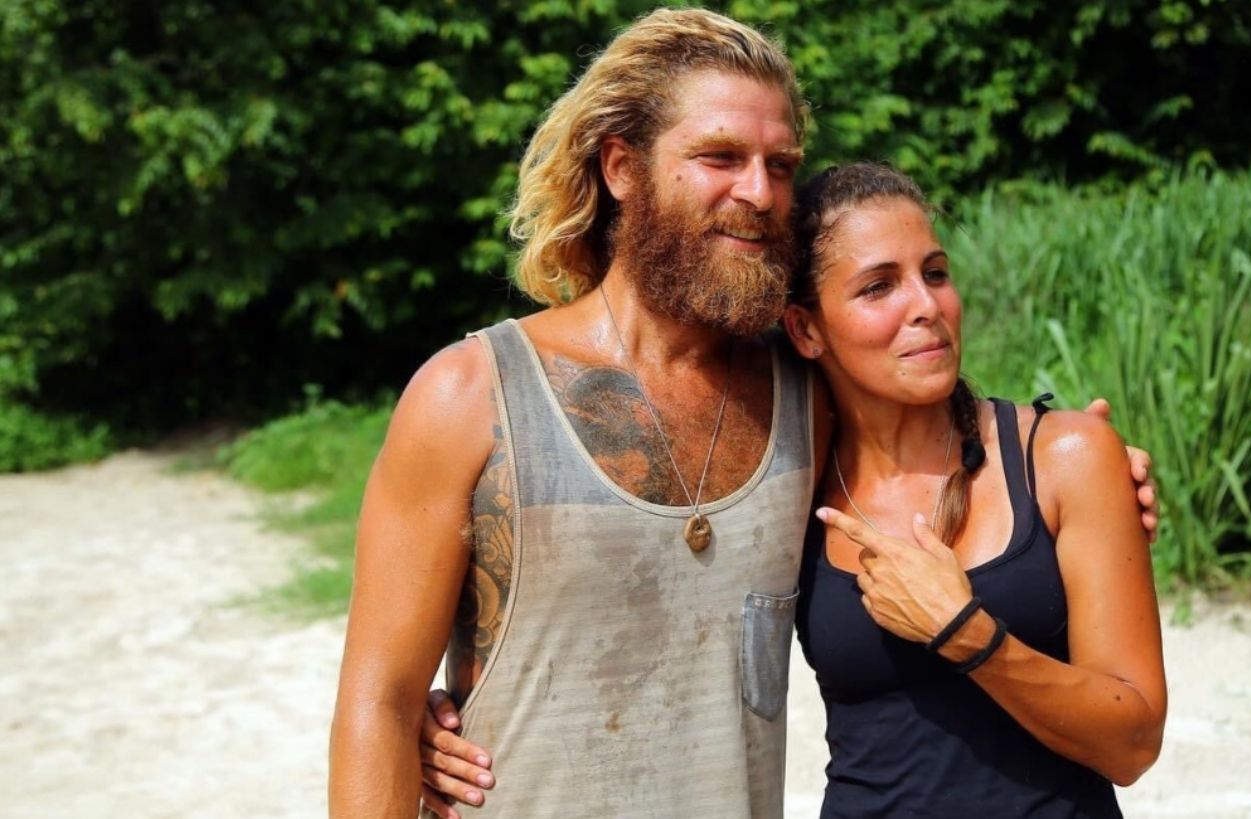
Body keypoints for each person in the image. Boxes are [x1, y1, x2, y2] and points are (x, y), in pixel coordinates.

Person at [331, 9, 1159, 819]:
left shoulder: (800, 397)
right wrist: (416, 729)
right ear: (622, 167)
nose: (760, 192)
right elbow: (378, 701)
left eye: (781, 164)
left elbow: (928, 422)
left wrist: (1091, 479)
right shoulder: (472, 396)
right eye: (720, 156)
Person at [789, 163, 1165, 816]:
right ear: (805, 329)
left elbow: (1132, 743)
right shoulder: (786, 487)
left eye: (935, 273)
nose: (927, 306)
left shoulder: (1065, 458)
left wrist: (967, 634)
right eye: (879, 286)